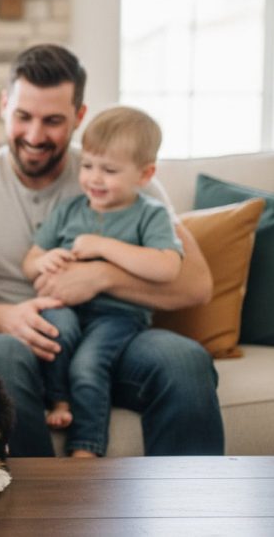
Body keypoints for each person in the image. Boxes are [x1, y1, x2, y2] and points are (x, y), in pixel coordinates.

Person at [0, 44, 224, 457]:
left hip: (112, 332)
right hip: (17, 339)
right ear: (4, 105)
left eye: (52, 121)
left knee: (183, 360)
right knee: (5, 357)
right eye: (23, 117)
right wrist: (3, 317)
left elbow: (197, 285)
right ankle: (41, 518)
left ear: (79, 118)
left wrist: (103, 276)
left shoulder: (118, 175)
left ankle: (195, 515)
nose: (34, 135)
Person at [21, 106, 184, 457]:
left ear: (145, 174)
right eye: (88, 165)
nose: (95, 178)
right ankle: (59, 402)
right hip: (65, 306)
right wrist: (43, 261)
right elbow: (30, 262)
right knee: (55, 332)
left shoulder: (149, 214)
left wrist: (103, 247)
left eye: (109, 170)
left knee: (88, 363)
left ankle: (86, 447)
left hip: (117, 317)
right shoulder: (69, 209)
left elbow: (168, 267)